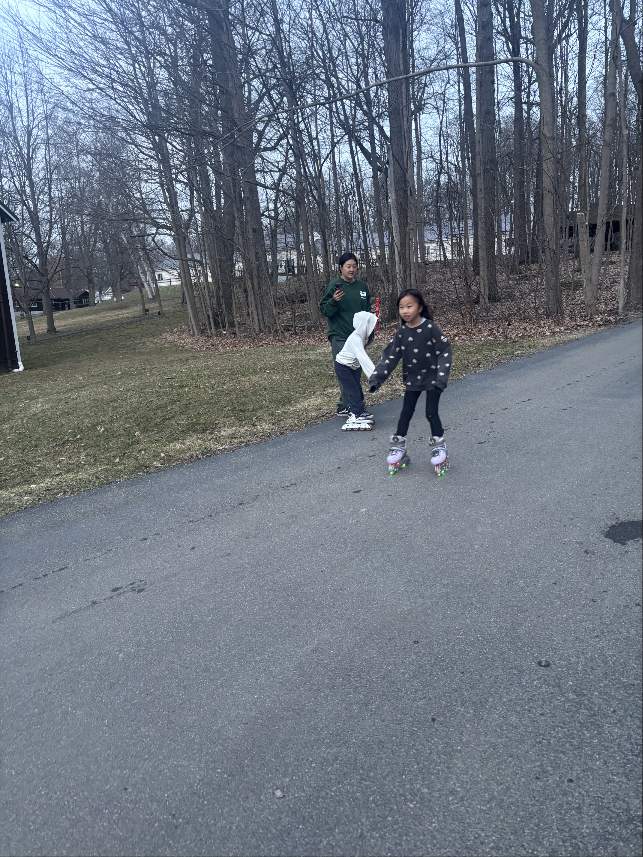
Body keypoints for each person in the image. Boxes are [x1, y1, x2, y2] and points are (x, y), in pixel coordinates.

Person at [368, 289, 452, 475]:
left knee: (431, 412)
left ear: (419, 307)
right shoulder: (401, 333)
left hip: (433, 379)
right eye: (401, 307)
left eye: (409, 306)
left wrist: (442, 376)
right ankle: (398, 447)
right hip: (413, 379)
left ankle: (439, 446)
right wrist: (377, 378)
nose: (405, 311)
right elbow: (390, 358)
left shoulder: (430, 328)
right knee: (406, 412)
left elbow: (445, 351)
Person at [320, 252, 372, 416]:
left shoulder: (362, 287)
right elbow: (325, 310)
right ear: (341, 268)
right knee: (345, 370)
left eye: (354, 266)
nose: (351, 269)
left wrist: (369, 332)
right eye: (348, 266)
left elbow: (367, 311)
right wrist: (333, 301)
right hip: (340, 335)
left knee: (354, 370)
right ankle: (354, 407)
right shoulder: (335, 286)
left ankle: (344, 405)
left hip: (358, 336)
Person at [335, 311, 378, 431]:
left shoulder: (362, 337)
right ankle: (355, 415)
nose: (373, 327)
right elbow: (363, 358)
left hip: (352, 367)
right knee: (353, 390)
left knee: (357, 389)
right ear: (363, 325)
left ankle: (359, 411)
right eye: (371, 325)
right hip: (343, 367)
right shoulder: (356, 339)